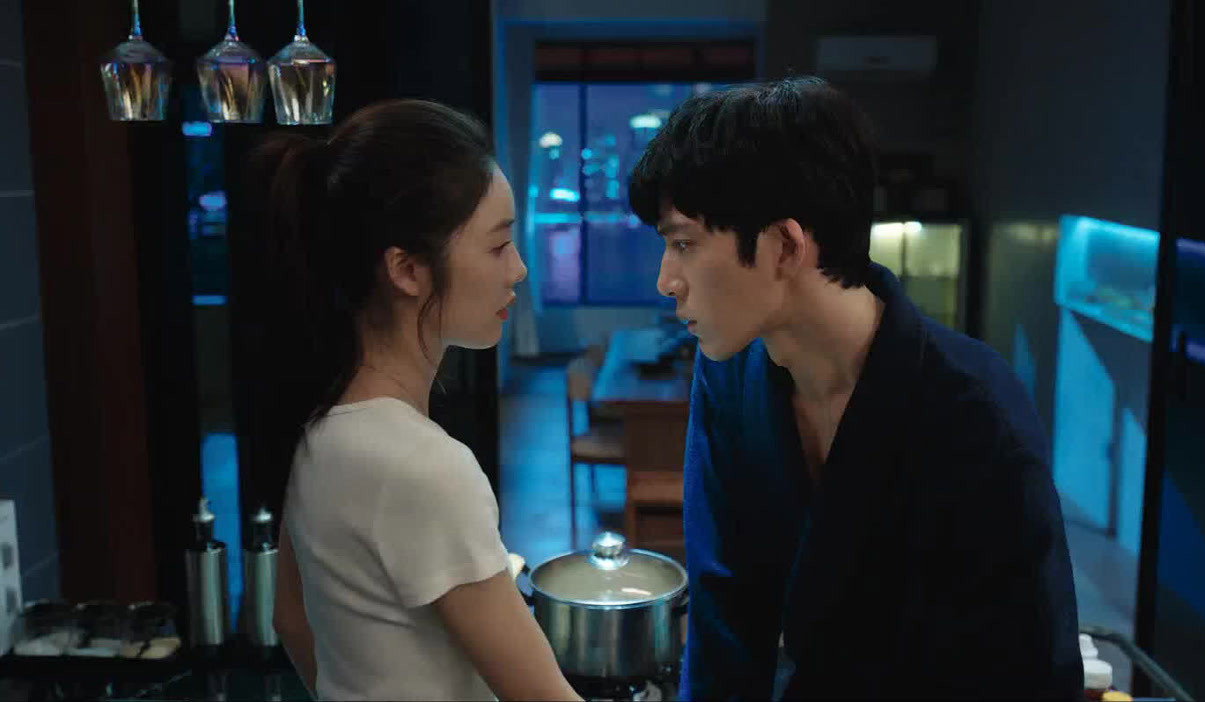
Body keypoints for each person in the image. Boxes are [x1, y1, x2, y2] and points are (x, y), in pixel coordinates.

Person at [628, 77, 1082, 699]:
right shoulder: (731, 372)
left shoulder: (973, 411)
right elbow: (722, 611)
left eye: (684, 244)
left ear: (784, 245)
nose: (666, 281)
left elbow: (1031, 670)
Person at [253, 99, 581, 701]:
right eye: (498, 246)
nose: (519, 269)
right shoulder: (426, 467)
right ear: (407, 270)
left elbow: (292, 621)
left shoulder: (323, 433)